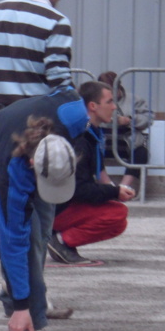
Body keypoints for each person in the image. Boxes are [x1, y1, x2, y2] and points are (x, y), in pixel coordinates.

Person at [0, 87, 86, 331]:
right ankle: (36, 320)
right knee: (29, 240)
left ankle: (21, 292)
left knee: (43, 234)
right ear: (33, 166)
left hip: (37, 152)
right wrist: (22, 307)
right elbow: (12, 243)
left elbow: (64, 89)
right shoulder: (12, 176)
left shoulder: (75, 116)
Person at [48, 82, 132, 265]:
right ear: (93, 106)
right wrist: (114, 192)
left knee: (119, 218)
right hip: (55, 207)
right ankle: (60, 241)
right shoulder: (82, 138)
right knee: (116, 214)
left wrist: (114, 191)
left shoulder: (91, 133)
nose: (114, 107)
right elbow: (79, 189)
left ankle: (60, 239)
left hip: (58, 203)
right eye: (109, 102)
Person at [96, 71, 151, 192]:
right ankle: (107, 187)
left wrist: (130, 120)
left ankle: (124, 187)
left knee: (141, 153)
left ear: (119, 86)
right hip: (104, 143)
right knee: (90, 152)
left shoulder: (134, 100)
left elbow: (148, 118)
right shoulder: (95, 101)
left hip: (127, 143)